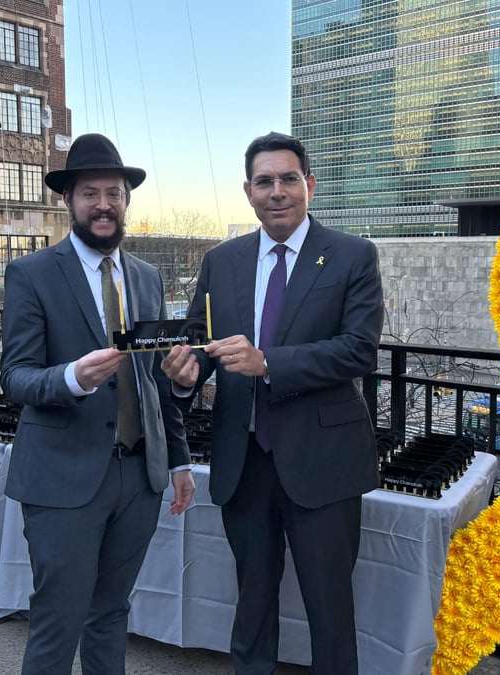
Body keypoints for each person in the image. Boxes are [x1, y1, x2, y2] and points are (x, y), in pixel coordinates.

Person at [162, 131, 383, 674]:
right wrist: (186, 371)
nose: (277, 191)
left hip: (323, 463)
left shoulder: (353, 255)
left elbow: (359, 350)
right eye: (265, 181)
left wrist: (270, 363)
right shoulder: (221, 261)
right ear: (248, 191)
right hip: (246, 463)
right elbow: (201, 338)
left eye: (288, 179)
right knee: (252, 605)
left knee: (330, 612)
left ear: (309, 185)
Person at [0, 133, 195, 675]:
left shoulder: (148, 278)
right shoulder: (32, 274)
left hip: (139, 478)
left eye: (114, 192)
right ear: (69, 201)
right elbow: (13, 377)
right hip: (63, 481)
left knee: (111, 614)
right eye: (90, 193)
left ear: (127, 200)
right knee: (58, 620)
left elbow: (157, 383)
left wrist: (177, 455)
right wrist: (71, 377)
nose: (103, 204)